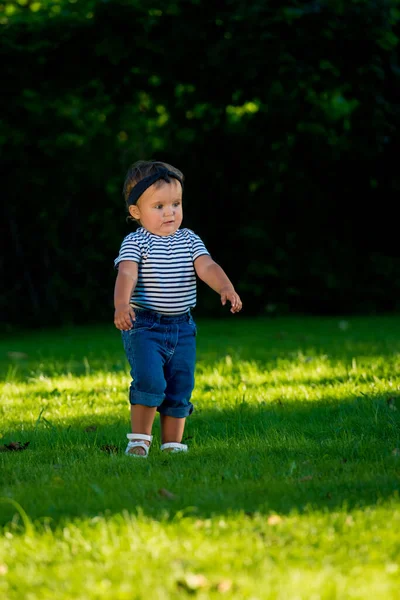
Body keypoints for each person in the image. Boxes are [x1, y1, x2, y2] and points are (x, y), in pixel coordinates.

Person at [114, 160, 242, 457]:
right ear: (136, 212)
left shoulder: (189, 239)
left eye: (176, 203)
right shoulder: (136, 242)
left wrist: (225, 286)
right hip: (144, 326)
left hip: (183, 327)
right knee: (150, 380)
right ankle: (139, 440)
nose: (170, 212)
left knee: (180, 383)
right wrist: (122, 304)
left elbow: (206, 266)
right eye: (159, 206)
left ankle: (172, 443)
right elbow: (127, 274)